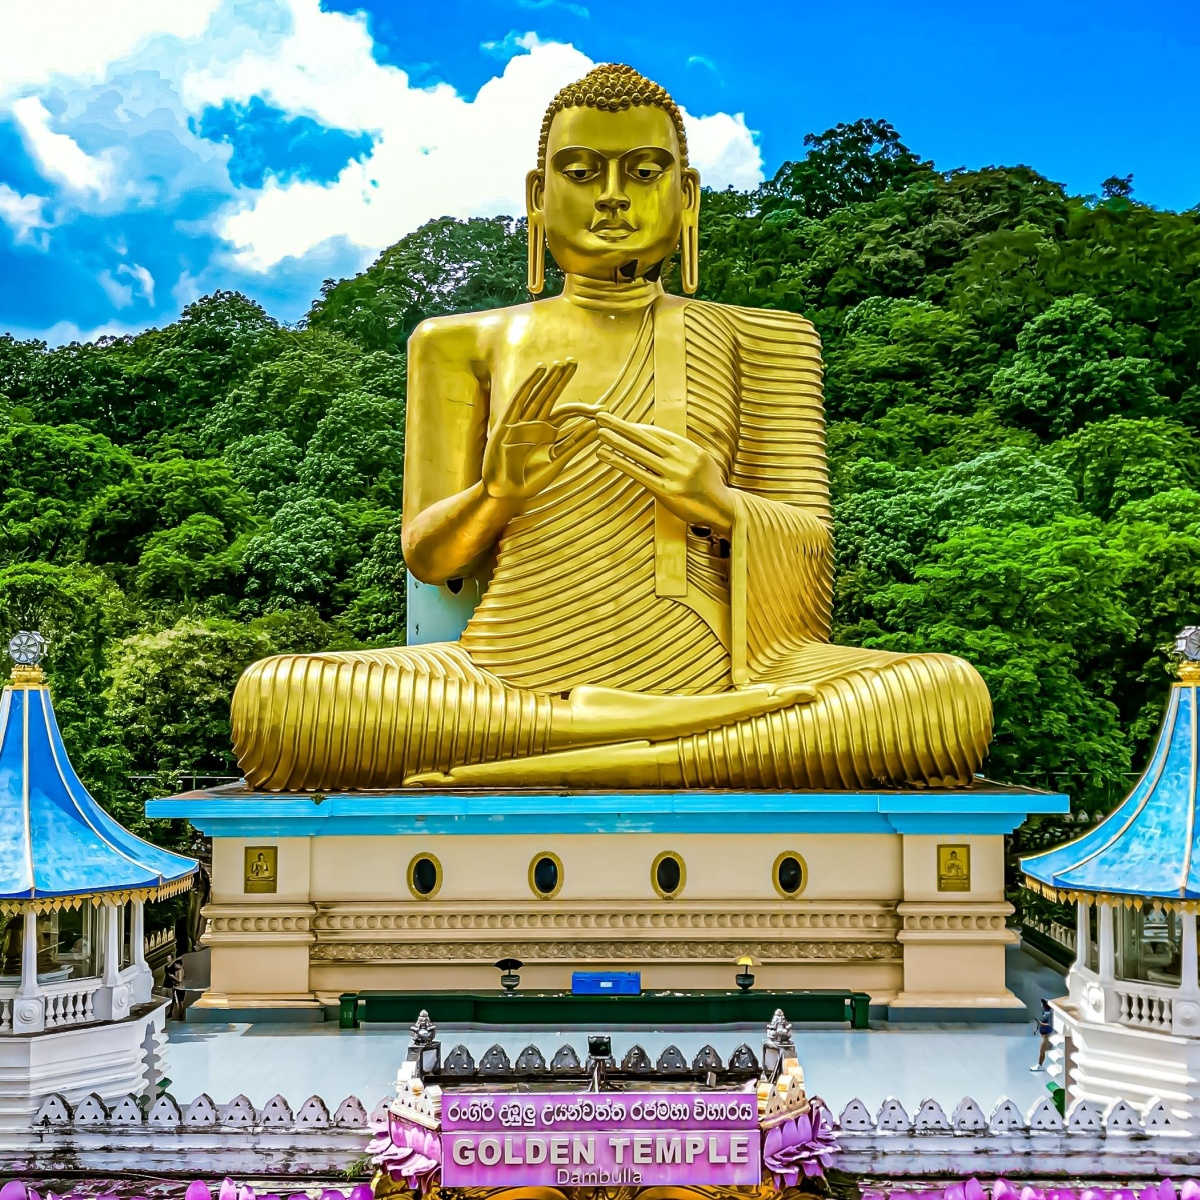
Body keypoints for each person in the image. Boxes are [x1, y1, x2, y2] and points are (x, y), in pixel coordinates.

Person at [230, 62, 993, 794]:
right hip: (506, 671)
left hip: (720, 670)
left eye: (645, 172)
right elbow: (430, 557)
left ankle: (588, 743)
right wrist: (495, 494)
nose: (614, 197)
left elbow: (813, 549)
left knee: (945, 700)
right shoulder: (459, 341)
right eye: (583, 172)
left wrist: (721, 505)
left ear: (688, 197)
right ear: (537, 194)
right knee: (277, 702)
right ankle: (673, 744)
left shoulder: (765, 337)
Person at [1031, 998, 1053, 1070]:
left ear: (1044, 1004)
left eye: (1041, 1003)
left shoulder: (1049, 1013)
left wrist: (1039, 1022)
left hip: (1046, 1036)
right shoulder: (1044, 1012)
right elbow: (1040, 1023)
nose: (1040, 1004)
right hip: (1044, 1035)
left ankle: (1039, 1066)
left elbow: (1049, 1024)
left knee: (1042, 1051)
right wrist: (1036, 1030)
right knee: (1047, 1050)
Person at [165, 956, 186, 1020]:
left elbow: (179, 980)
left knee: (180, 1002)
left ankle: (181, 1015)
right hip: (177, 987)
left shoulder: (180, 970)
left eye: (175, 964)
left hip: (180, 988)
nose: (174, 966)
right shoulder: (178, 970)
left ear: (179, 965)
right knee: (178, 1002)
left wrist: (172, 976)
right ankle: (180, 1015)